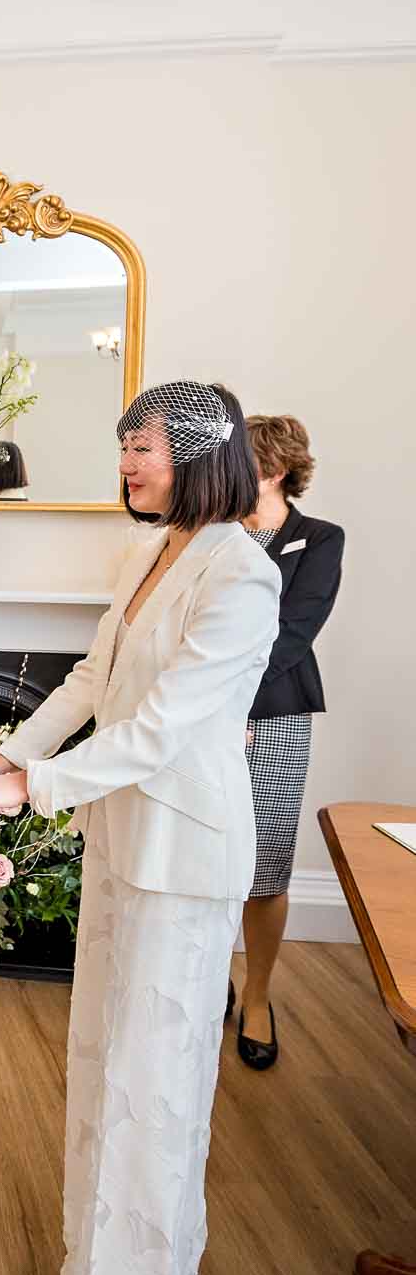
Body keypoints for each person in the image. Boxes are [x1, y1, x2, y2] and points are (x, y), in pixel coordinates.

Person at [0, 381, 279, 1275]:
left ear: (199, 452)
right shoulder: (148, 555)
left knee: (156, 1095)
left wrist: (30, 788)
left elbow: (164, 732)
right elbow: (93, 686)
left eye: (140, 448)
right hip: (119, 846)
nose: (128, 466)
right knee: (106, 1073)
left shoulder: (243, 575)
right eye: (124, 449)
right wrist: (0, 757)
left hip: (183, 864)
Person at [227, 415, 344, 1069]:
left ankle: (259, 995)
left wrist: (229, 696)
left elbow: (294, 633)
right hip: (204, 719)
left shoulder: (320, 540)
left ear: (272, 469)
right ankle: (207, 977)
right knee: (207, 858)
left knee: (265, 870)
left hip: (274, 714)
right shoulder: (208, 536)